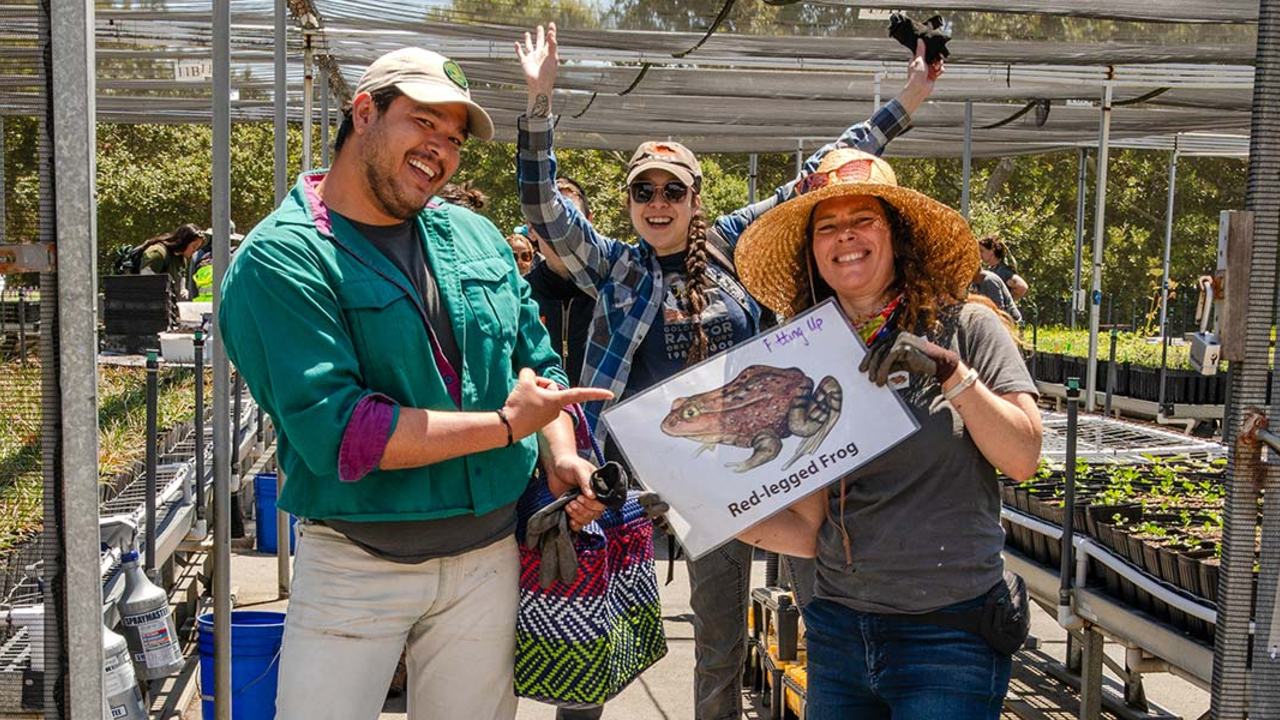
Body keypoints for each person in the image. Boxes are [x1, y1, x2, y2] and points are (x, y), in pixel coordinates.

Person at [516, 22, 942, 720]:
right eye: (644, 192)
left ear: (695, 198)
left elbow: (820, 174)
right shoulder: (613, 265)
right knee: (604, 622)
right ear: (630, 202)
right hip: (638, 477)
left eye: (672, 190)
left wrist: (908, 101)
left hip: (749, 468)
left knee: (743, 633)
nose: (658, 203)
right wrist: (539, 104)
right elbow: (543, 207)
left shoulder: (730, 245)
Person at [218, 46, 612, 720]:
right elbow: (343, 433)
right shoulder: (282, 259)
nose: (441, 150)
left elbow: (537, 365)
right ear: (363, 113)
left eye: (454, 138)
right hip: (356, 564)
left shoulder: (476, 236)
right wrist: (505, 428)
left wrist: (560, 453)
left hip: (487, 559)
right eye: (424, 122)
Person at [732, 147, 1043, 719]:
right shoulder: (807, 358)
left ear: (897, 235)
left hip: (949, 635)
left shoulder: (966, 327)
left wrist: (951, 373)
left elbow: (1023, 456)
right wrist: (701, 507)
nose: (845, 236)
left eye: (862, 219)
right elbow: (810, 530)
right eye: (827, 226)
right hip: (838, 632)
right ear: (812, 251)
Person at [525, 176, 597, 387]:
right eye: (548, 220)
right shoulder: (517, 296)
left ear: (589, 222)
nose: (560, 233)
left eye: (571, 219)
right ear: (531, 228)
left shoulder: (616, 293)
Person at [135, 223, 205, 299]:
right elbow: (146, 285)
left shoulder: (181, 259)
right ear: (185, 242)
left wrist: (183, 291)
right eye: (194, 246)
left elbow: (181, 282)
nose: (195, 251)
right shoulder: (157, 253)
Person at [979, 232, 1028, 301]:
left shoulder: (1002, 271)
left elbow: (1022, 287)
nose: (979, 254)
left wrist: (1007, 301)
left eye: (982, 251)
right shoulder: (991, 270)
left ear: (992, 250)